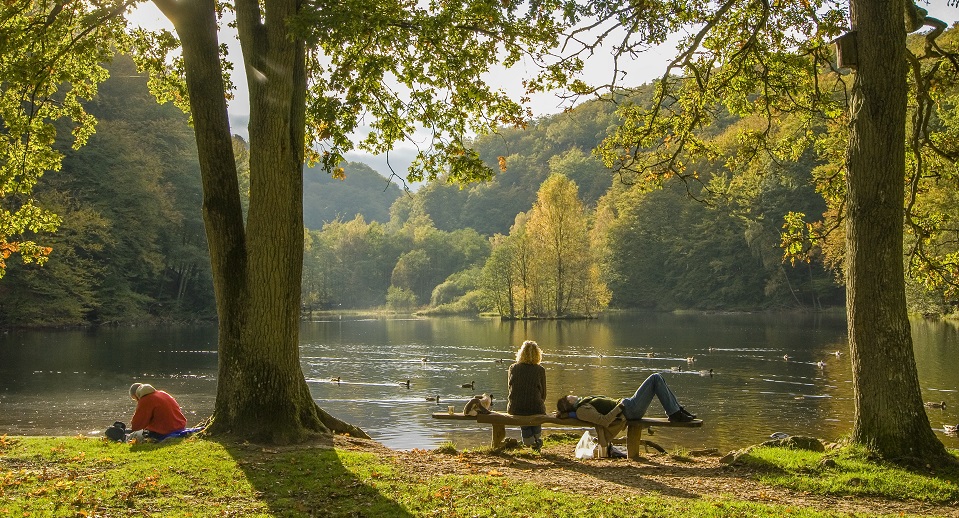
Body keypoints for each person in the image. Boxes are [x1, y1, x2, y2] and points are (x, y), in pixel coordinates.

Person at [556, 373, 696, 457]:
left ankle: (677, 410)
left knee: (658, 378)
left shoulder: (582, 404)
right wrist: (620, 407)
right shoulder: (582, 410)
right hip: (628, 410)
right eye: (570, 396)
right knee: (655, 378)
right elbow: (603, 421)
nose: (573, 395)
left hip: (627, 406)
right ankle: (674, 413)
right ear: (569, 402)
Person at [507, 340, 547, 451]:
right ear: (538, 354)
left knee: (523, 410)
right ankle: (536, 439)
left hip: (516, 407)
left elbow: (511, 389)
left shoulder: (513, 368)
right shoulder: (540, 370)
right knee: (536, 408)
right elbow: (543, 394)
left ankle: (530, 441)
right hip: (535, 407)